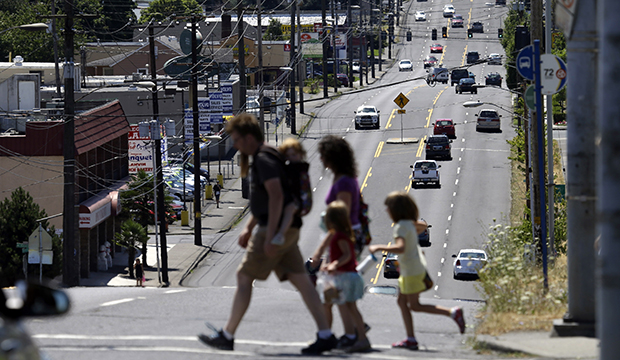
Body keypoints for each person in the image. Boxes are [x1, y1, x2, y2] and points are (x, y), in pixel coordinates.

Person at [197, 113, 337, 355]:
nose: (235, 144)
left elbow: (276, 197)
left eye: (237, 139)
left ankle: (228, 335)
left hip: (274, 229)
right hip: (287, 227)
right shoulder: (269, 153)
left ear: (250, 137)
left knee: (243, 277)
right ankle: (326, 335)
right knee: (302, 281)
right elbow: (264, 200)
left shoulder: (263, 159)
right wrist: (248, 228)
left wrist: (271, 235)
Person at [368, 191, 465, 350]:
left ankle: (452, 313)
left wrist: (379, 247)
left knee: (414, 306)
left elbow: (401, 247)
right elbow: (423, 226)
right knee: (402, 302)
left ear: (395, 210)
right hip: (411, 270)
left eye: (388, 208)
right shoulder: (409, 224)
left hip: (411, 271)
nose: (386, 211)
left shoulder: (400, 227)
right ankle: (410, 337)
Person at [310, 201, 370, 353]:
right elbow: (324, 249)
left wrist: (334, 265)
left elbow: (347, 255)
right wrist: (319, 260)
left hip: (347, 276)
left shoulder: (341, 236)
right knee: (332, 304)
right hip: (338, 278)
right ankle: (332, 335)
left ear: (332, 220)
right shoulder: (333, 234)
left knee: (347, 306)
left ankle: (354, 336)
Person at [317, 135, 364, 256]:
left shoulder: (344, 183)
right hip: (342, 236)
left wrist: (321, 250)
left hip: (345, 238)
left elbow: (342, 218)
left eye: (323, 155)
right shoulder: (342, 178)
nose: (321, 158)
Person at [271, 137, 307, 246]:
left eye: (294, 155)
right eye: (287, 156)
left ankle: (281, 234)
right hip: (286, 201)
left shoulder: (301, 170)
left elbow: (305, 190)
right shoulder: (284, 169)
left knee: (290, 209)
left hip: (295, 202)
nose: (291, 158)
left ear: (301, 154)